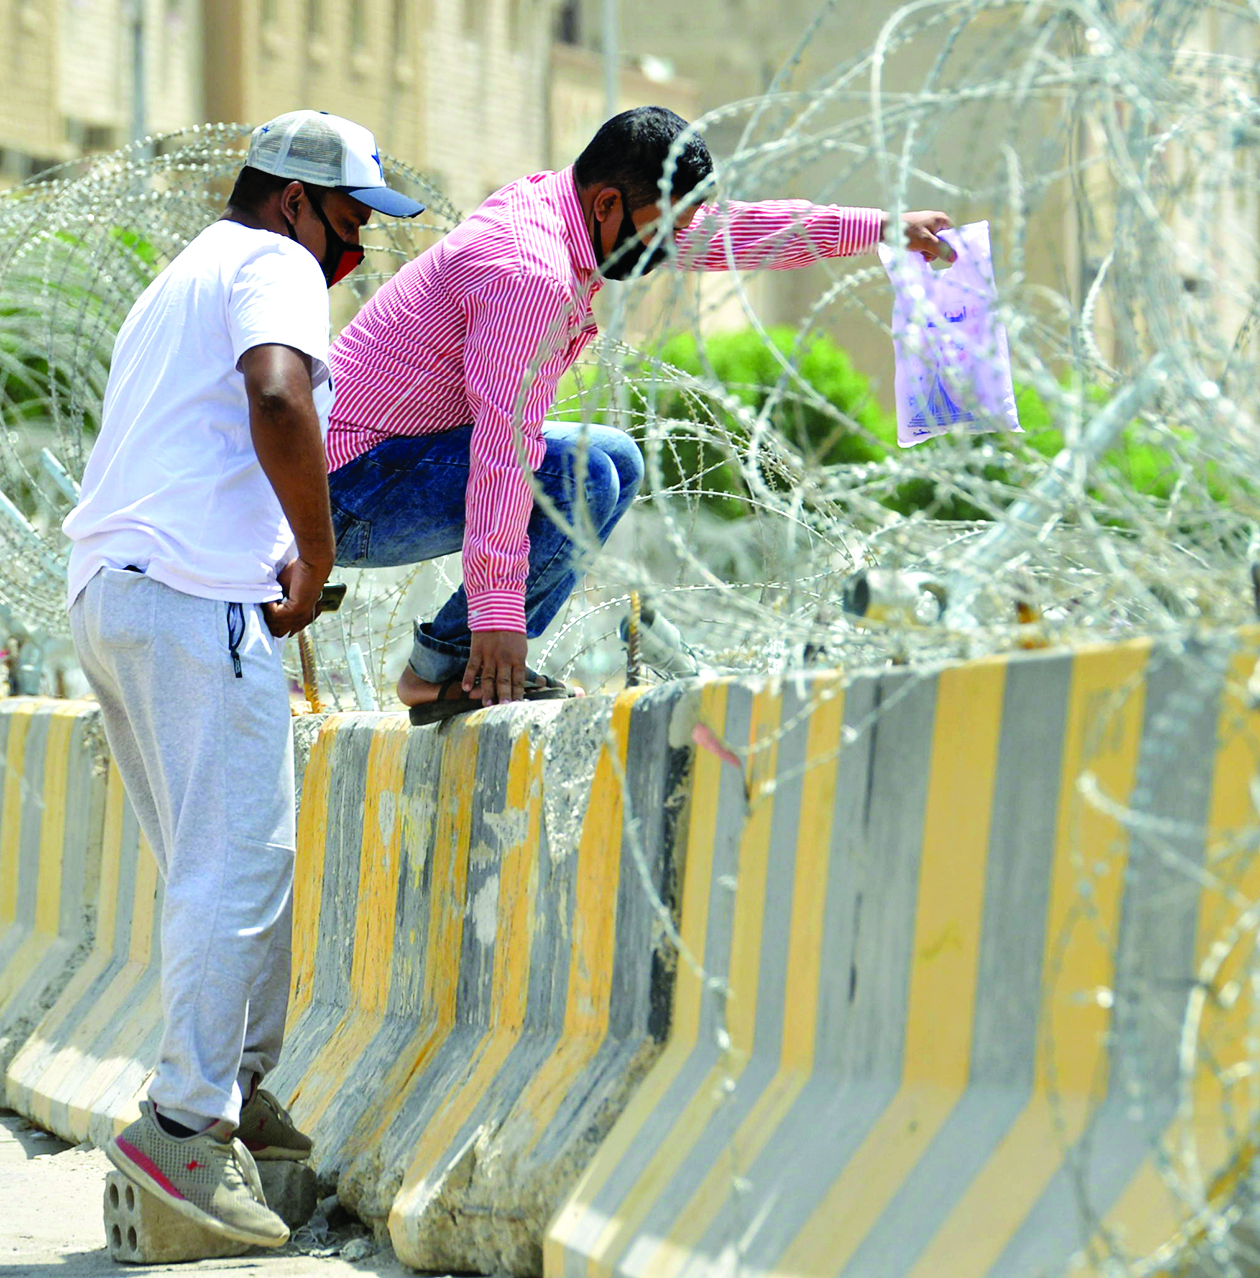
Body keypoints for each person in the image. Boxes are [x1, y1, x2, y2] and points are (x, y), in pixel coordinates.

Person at [62, 110, 422, 1250]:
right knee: (237, 868)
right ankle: (184, 1127)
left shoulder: (180, 277)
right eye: (348, 222)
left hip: (114, 592)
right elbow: (279, 394)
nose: (351, 250)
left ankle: (236, 1101)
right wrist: (314, 556)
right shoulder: (273, 260)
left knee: (220, 864)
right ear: (292, 199)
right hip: (194, 596)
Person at [327, 107, 952, 718]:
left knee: (615, 458)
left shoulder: (564, 203)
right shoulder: (530, 270)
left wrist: (880, 229)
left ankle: (456, 662)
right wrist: (498, 611)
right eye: (662, 232)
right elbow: (503, 446)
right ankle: (453, 665)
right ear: (607, 206)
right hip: (342, 493)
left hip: (387, 460)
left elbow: (731, 231)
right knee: (583, 477)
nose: (671, 250)